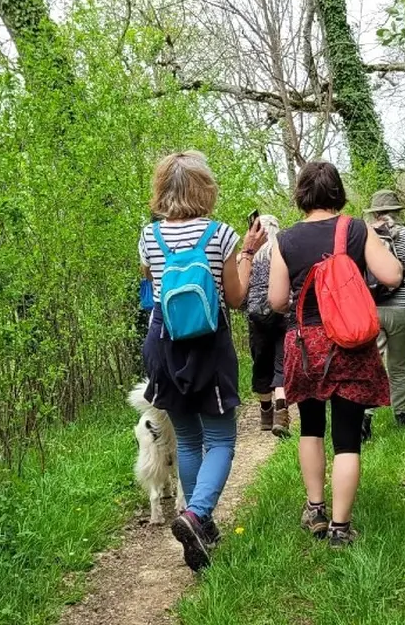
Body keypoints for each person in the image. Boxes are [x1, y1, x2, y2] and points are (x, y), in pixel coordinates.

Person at [140, 151, 267, 571]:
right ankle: (197, 515)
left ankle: (201, 528)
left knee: (191, 441)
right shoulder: (220, 234)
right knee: (222, 440)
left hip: (164, 344)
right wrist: (247, 255)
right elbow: (235, 298)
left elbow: (150, 287)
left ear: (162, 189)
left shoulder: (148, 236)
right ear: (204, 188)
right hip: (209, 345)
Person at [267, 161, 403, 547]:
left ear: (302, 196)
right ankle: (341, 529)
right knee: (346, 438)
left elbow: (277, 301)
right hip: (349, 343)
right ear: (338, 192)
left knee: (311, 428)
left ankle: (315, 508)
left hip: (305, 346)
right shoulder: (356, 229)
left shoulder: (286, 240)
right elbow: (392, 275)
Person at [364, 190, 405, 436]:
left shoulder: (364, 235)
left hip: (371, 308)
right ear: (398, 212)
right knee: (399, 364)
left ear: (375, 212)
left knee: (371, 364)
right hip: (402, 309)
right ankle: (402, 418)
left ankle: (364, 422)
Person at [245, 214, 290, 436]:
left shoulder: (248, 256)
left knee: (261, 363)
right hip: (282, 313)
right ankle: (281, 414)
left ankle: (265, 414)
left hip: (256, 318)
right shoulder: (282, 251)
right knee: (281, 362)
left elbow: (241, 291)